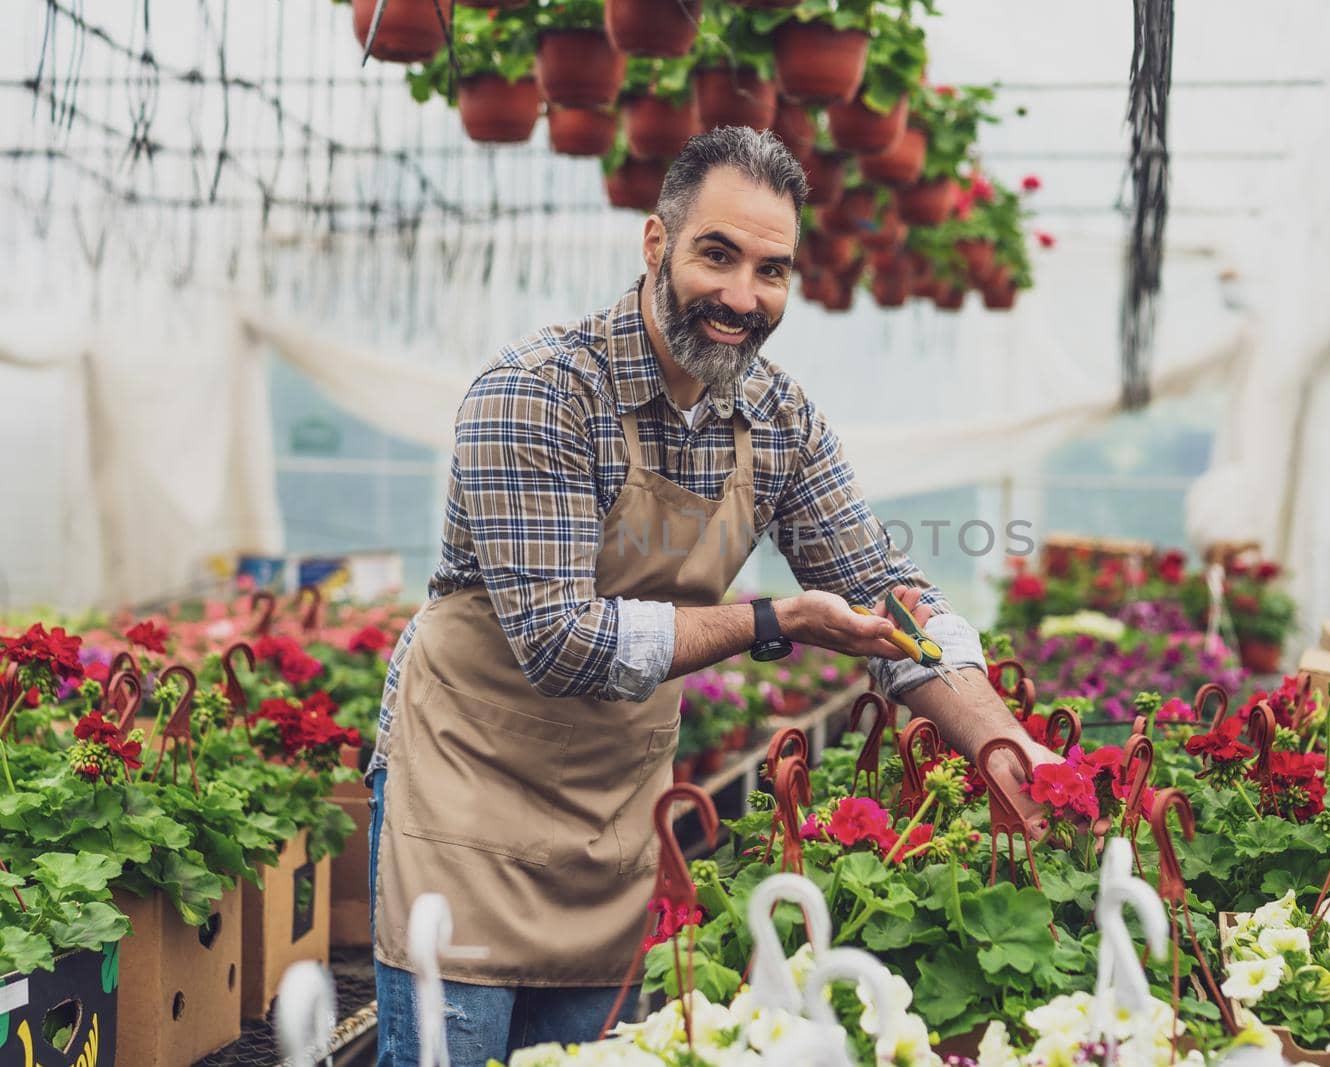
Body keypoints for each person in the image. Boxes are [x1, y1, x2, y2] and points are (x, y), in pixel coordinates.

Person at [366, 126, 1057, 1065]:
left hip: (613, 808)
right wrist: (775, 620)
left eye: (771, 271)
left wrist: (1000, 739)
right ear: (658, 245)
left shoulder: (779, 418)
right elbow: (560, 641)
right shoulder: (540, 394)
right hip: (466, 793)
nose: (742, 297)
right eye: (717, 256)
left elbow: (880, 589)